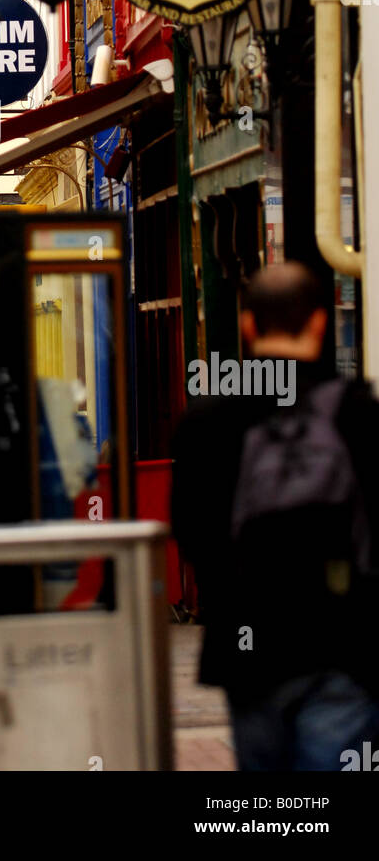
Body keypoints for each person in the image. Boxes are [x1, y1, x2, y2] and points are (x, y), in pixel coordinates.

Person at [171, 262, 379, 772]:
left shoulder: (207, 421)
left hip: (250, 649)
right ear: (318, 324)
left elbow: (192, 533)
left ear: (247, 326)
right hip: (343, 646)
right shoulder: (358, 412)